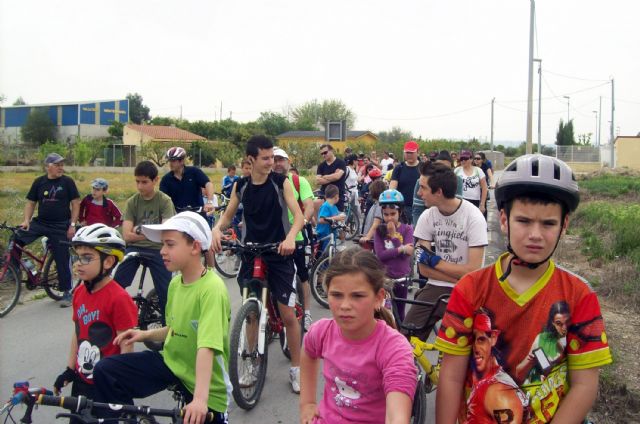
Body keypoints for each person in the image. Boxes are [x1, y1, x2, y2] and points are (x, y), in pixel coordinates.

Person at [435, 154, 612, 423]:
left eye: (548, 223)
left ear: (564, 225)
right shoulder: (470, 288)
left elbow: (584, 385)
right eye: (524, 221)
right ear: (504, 220)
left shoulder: (579, 295)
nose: (535, 234)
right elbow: (451, 376)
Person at [94, 212, 230, 424]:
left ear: (195, 247)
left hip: (205, 384)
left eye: (169, 245)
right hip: (172, 364)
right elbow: (176, 328)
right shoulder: (175, 284)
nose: (162, 251)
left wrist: (200, 399)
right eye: (162, 245)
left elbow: (207, 346)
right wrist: (143, 334)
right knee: (106, 371)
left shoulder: (211, 289)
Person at [212, 134, 304, 393]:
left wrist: (289, 238)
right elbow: (228, 215)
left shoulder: (281, 182)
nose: (271, 162)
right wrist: (217, 230)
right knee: (252, 313)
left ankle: (296, 367)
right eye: (265, 158)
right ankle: (250, 363)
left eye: (272, 157)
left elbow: (297, 216)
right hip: (251, 252)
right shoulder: (240, 186)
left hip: (280, 252)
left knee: (288, 314)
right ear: (250, 160)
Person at [299, 248, 417, 424]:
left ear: (379, 298)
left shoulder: (393, 348)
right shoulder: (321, 331)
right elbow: (308, 352)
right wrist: (307, 403)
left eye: (357, 296)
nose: (345, 305)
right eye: (336, 295)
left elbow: (397, 414)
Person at [53, 224, 138, 419]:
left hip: (106, 383)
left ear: (108, 261)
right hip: (82, 381)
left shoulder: (119, 298)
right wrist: (69, 369)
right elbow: (77, 332)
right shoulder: (80, 292)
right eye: (77, 257)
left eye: (86, 257)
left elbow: (127, 346)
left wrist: (121, 385)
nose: (78, 263)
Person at [402, 162, 487, 341]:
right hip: (435, 286)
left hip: (467, 292)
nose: (419, 193)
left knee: (466, 346)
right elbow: (423, 269)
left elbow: (472, 271)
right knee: (406, 338)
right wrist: (459, 275)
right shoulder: (427, 216)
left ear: (438, 192)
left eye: (423, 188)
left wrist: (435, 262)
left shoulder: (474, 218)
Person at [14, 152, 80, 307]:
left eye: (62, 165)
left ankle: (66, 292)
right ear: (47, 166)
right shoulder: (39, 182)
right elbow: (31, 203)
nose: (60, 168)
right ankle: (16, 271)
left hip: (60, 225)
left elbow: (76, 203)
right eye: (57, 165)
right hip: (41, 222)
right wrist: (26, 221)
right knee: (16, 238)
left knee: (62, 257)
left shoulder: (67, 182)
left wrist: (72, 225)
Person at [115, 161, 175, 321]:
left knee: (165, 292)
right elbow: (127, 235)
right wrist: (151, 233)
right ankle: (117, 319)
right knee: (116, 285)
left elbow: (165, 232)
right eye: (137, 182)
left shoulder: (164, 201)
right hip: (134, 249)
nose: (140, 186)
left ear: (155, 180)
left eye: (144, 182)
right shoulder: (132, 202)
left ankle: (167, 329)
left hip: (158, 250)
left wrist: (140, 230)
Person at [273, 147, 316, 330]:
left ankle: (306, 313)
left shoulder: (299, 181)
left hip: (296, 237)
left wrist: (303, 221)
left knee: (302, 276)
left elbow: (309, 205)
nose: (277, 163)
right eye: (274, 159)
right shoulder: (265, 182)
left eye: (281, 159)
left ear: (288, 162)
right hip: (273, 239)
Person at [463, 309, 527, 423]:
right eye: (469, 340)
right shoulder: (472, 377)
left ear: (493, 338)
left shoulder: (498, 392)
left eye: (481, 340)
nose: (475, 348)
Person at [160, 146, 215, 265]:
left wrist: (209, 202)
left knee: (207, 244)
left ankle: (212, 271)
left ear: (181, 161)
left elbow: (208, 184)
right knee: (177, 244)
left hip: (198, 214)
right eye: (170, 161)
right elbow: (162, 200)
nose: (171, 164)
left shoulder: (194, 172)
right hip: (178, 217)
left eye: (173, 161)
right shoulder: (166, 180)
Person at [373, 189, 414, 320]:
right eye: (386, 214)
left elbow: (406, 255)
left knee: (400, 313)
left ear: (400, 212)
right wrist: (401, 249)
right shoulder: (379, 231)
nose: (389, 217)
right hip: (385, 278)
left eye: (393, 214)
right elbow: (380, 255)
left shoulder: (407, 229)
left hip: (401, 278)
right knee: (383, 312)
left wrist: (394, 236)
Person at [390, 140, 421, 224]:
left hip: (420, 207)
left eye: (411, 153)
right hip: (402, 208)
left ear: (417, 152)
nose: (409, 155)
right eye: (407, 153)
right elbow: (392, 188)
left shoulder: (423, 167)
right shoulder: (399, 168)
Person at [454, 150, 488, 218]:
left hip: (475, 201)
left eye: (466, 159)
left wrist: (482, 204)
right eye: (461, 159)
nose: (463, 161)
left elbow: (484, 188)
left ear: (471, 159)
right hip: (460, 201)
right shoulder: (457, 170)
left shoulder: (478, 170)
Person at [315, 144, 347, 212]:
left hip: (338, 195)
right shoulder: (321, 166)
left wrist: (324, 176)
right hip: (324, 194)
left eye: (325, 152)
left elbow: (337, 176)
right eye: (322, 154)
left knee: (337, 218)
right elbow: (318, 181)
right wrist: (333, 177)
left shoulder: (341, 163)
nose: (323, 155)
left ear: (331, 151)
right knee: (316, 205)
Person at [317, 184, 345, 251]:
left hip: (332, 235)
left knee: (332, 252)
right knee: (324, 254)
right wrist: (336, 218)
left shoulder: (334, 207)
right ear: (336, 196)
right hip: (324, 236)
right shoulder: (325, 206)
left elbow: (337, 220)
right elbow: (321, 220)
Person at [359, 179, 386, 246]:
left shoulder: (379, 205)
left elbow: (376, 224)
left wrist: (368, 237)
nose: (370, 193)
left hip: (373, 240)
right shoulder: (375, 204)